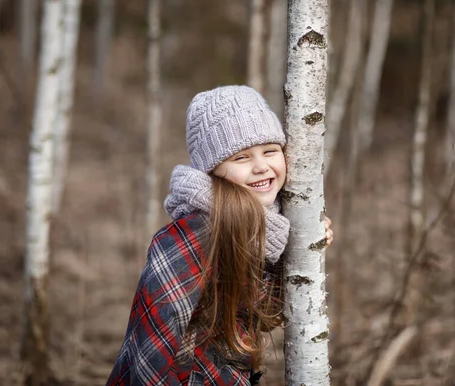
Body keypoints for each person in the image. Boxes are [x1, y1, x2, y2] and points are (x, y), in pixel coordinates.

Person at [106, 85, 333, 385]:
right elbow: (149, 354)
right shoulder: (193, 234)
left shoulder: (259, 228)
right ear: (214, 171)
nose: (261, 166)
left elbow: (263, 312)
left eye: (270, 151)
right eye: (241, 158)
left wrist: (305, 247)